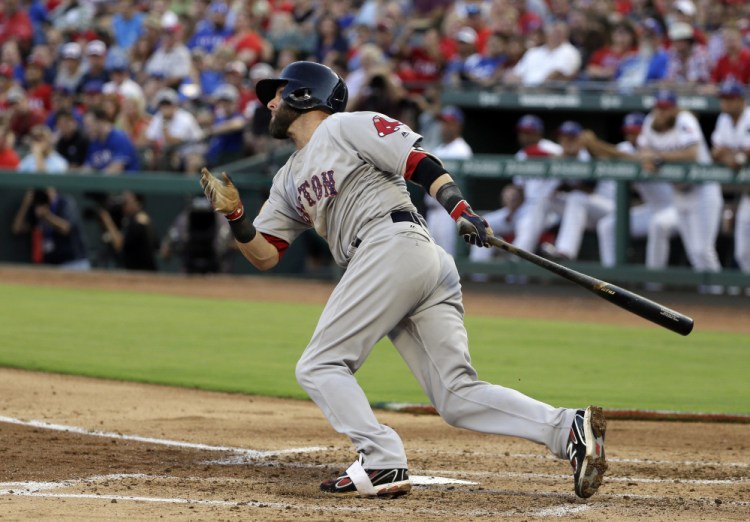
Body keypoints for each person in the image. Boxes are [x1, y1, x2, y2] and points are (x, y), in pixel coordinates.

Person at [199, 61, 607, 499]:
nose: (270, 102)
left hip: (392, 243)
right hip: (402, 258)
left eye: (277, 93)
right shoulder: (287, 178)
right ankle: (568, 428)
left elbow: (416, 161)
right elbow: (265, 255)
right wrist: (237, 217)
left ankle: (380, 459)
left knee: (320, 365)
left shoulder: (345, 126)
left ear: (303, 95)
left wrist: (458, 206)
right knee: (456, 395)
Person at [637, 89, 723, 276]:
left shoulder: (685, 119)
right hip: (679, 191)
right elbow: (643, 152)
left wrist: (658, 157)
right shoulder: (650, 121)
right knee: (694, 252)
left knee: (704, 250)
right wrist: (650, 158)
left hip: (703, 189)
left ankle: (722, 293)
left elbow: (691, 153)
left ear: (675, 109)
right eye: (659, 107)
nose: (661, 112)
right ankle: (709, 296)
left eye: (666, 108)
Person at [582, 112, 678, 269]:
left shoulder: (656, 145)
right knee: (608, 226)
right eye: (629, 132)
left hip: (674, 208)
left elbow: (628, 158)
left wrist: (596, 143)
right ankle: (613, 278)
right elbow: (609, 156)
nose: (632, 136)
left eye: (636, 131)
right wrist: (591, 146)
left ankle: (653, 282)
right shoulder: (625, 147)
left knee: (658, 225)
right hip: (651, 209)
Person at [539, 121, 614, 261]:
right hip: (589, 212)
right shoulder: (563, 158)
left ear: (580, 140)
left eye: (571, 138)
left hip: (610, 208)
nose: (567, 142)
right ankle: (535, 244)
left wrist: (564, 175)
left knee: (577, 197)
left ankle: (565, 251)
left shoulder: (590, 156)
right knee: (549, 197)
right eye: (563, 138)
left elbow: (588, 188)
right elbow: (556, 188)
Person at [710, 80, 750, 274]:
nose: (726, 103)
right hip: (746, 195)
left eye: (730, 99)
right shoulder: (723, 119)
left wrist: (735, 156)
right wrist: (733, 156)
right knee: (742, 253)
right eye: (723, 99)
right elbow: (716, 153)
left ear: (741, 100)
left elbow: (745, 155)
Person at [423, 105, 473, 257]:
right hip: (433, 211)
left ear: (458, 125)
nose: (444, 127)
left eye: (449, 123)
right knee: (431, 259)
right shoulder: (439, 148)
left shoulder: (462, 149)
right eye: (443, 122)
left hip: (448, 214)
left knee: (448, 259)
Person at [11, 187, 90, 270]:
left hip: (72, 262)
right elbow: (17, 228)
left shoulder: (64, 202)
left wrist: (46, 216)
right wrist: (26, 204)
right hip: (51, 264)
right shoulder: (37, 206)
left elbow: (65, 228)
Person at [96, 191, 159, 271]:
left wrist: (107, 219)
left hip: (141, 273)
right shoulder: (145, 219)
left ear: (137, 203)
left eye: (127, 201)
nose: (123, 204)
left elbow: (119, 245)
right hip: (145, 272)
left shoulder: (137, 223)